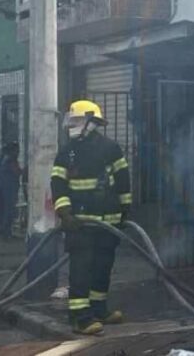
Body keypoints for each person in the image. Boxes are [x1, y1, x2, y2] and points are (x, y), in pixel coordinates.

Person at [51, 100, 131, 335]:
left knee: (102, 268)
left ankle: (98, 310)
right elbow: (58, 184)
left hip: (108, 222)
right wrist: (64, 213)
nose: (71, 125)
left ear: (90, 122)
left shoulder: (111, 148)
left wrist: (125, 209)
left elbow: (123, 179)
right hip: (80, 224)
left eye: (76, 120)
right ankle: (79, 317)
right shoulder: (67, 151)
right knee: (81, 270)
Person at [0, 142, 21, 239]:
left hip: (7, 188)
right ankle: (5, 232)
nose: (18, 152)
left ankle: (6, 231)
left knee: (7, 210)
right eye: (17, 150)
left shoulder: (6, 160)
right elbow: (17, 171)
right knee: (8, 211)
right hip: (8, 190)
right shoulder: (10, 160)